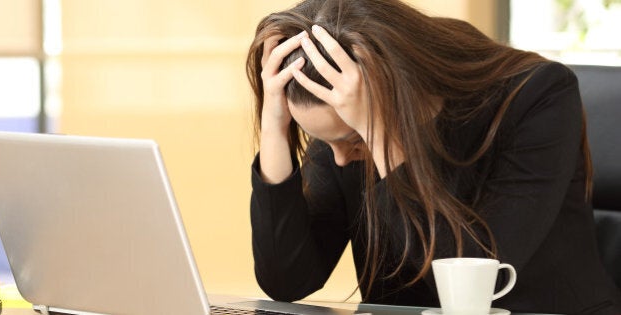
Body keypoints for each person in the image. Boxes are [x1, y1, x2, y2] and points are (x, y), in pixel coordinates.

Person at [246, 0, 621, 314]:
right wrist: (276, 128)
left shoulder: (538, 96)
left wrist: (382, 136)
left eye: (354, 140)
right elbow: (287, 281)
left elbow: (471, 286)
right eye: (323, 142)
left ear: (399, 93)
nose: (340, 160)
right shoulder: (343, 123)